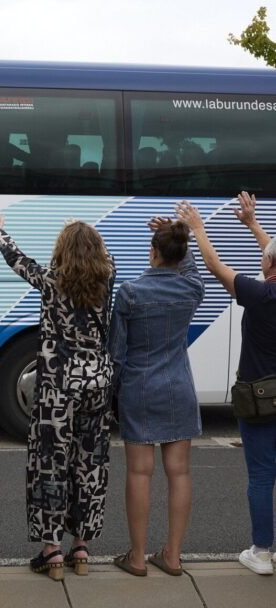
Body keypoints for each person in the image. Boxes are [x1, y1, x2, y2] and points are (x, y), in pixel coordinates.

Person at [0, 209, 115, 580]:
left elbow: (16, 260)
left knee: (51, 464)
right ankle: (81, 547)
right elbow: (108, 258)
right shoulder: (107, 280)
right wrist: (81, 233)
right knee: (89, 465)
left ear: (60, 253)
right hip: (98, 383)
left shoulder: (51, 281)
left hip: (58, 387)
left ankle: (52, 552)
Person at [173, 193, 276, 576]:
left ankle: (262, 552)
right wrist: (251, 225)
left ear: (267, 264)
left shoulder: (263, 295)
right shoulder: (266, 287)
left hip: (261, 400)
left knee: (263, 476)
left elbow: (217, 267)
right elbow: (272, 252)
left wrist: (199, 230)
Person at [109, 217, 204, 577]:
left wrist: (113, 395)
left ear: (153, 252)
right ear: (180, 255)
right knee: (179, 472)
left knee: (139, 472)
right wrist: (184, 238)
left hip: (139, 387)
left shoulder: (131, 292)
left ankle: (137, 557)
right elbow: (192, 270)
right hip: (179, 385)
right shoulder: (190, 289)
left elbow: (117, 351)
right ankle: (173, 556)